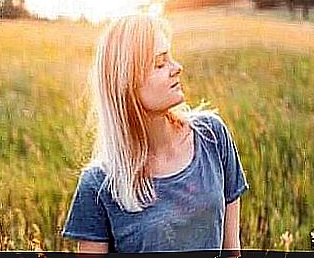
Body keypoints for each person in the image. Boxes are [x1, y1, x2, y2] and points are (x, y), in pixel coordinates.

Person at [62, 15, 249, 256]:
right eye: (160, 64)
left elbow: (232, 251)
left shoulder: (212, 136)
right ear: (126, 83)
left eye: (170, 57)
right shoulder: (98, 185)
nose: (177, 67)